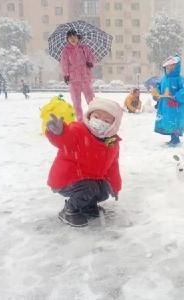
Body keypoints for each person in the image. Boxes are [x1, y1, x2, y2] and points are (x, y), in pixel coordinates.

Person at [45, 98, 123, 227]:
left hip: (87, 180)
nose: (100, 122)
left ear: (114, 124)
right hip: (67, 180)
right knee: (89, 187)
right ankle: (69, 211)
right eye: (97, 116)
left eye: (106, 120)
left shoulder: (111, 142)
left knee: (103, 190)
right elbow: (65, 140)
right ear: (89, 115)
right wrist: (59, 133)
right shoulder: (78, 130)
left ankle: (88, 207)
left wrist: (115, 187)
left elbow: (113, 166)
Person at [152, 55, 184, 146]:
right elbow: (159, 87)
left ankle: (175, 139)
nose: (169, 67)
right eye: (167, 66)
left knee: (175, 121)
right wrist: (156, 94)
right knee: (168, 121)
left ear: (176, 66)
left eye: (171, 66)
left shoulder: (180, 79)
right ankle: (172, 138)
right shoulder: (164, 79)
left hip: (175, 105)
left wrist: (175, 96)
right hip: (165, 105)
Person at [61, 29, 96, 121]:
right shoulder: (66, 51)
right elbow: (64, 64)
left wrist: (90, 63)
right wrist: (66, 75)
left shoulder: (84, 48)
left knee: (91, 101)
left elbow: (92, 58)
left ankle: (94, 118)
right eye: (70, 37)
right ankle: (80, 120)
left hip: (86, 78)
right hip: (74, 80)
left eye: (74, 37)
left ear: (78, 38)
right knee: (76, 103)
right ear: (67, 39)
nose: (72, 39)